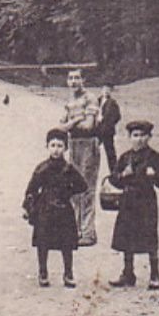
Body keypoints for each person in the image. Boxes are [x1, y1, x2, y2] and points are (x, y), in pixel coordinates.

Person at [109, 120, 159, 290]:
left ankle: (155, 274)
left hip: (146, 201)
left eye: (143, 135)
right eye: (135, 136)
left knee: (149, 235)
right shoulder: (125, 157)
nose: (139, 139)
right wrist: (123, 174)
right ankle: (128, 273)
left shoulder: (155, 157)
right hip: (128, 200)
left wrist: (155, 175)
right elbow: (113, 179)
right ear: (129, 137)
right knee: (126, 235)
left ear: (149, 137)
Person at [22, 128, 88, 288]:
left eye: (60, 146)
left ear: (66, 148)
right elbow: (31, 189)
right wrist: (27, 207)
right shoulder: (42, 168)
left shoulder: (69, 169)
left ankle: (68, 273)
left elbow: (82, 185)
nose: (56, 149)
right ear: (47, 147)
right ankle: (43, 272)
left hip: (64, 209)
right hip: (45, 210)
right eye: (53, 145)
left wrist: (68, 192)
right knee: (43, 242)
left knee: (66, 243)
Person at [60, 69, 101, 246]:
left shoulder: (90, 98)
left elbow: (89, 125)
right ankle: (75, 229)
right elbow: (62, 127)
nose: (74, 81)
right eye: (70, 78)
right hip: (74, 145)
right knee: (73, 187)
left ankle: (88, 232)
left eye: (77, 78)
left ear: (83, 79)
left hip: (88, 144)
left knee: (87, 188)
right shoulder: (69, 100)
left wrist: (72, 122)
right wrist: (77, 120)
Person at [97, 84, 121, 169]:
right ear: (101, 90)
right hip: (97, 130)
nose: (106, 91)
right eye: (104, 89)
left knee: (110, 153)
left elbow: (118, 116)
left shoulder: (113, 103)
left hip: (107, 131)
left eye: (108, 90)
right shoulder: (97, 101)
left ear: (110, 91)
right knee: (93, 149)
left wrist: (108, 123)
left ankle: (114, 172)